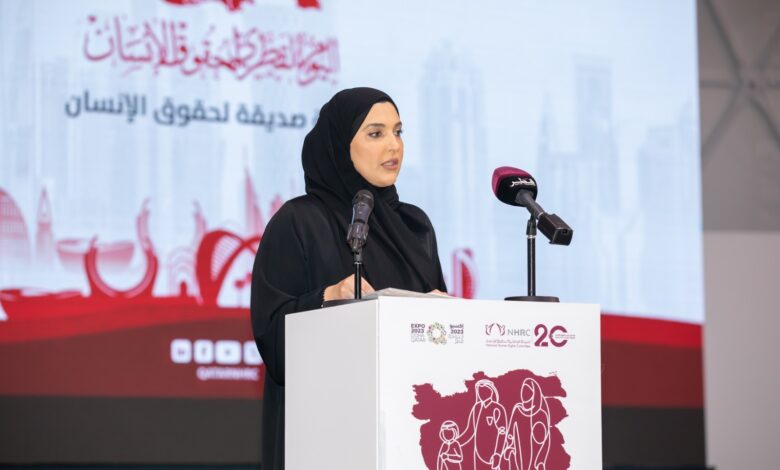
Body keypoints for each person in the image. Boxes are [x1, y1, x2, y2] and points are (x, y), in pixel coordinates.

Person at [250, 87, 448, 470]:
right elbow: (272, 338)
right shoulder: (298, 222)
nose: (393, 145)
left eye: (398, 132)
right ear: (340, 145)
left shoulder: (416, 227)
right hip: (324, 438)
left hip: (408, 438)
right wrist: (329, 297)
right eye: (375, 133)